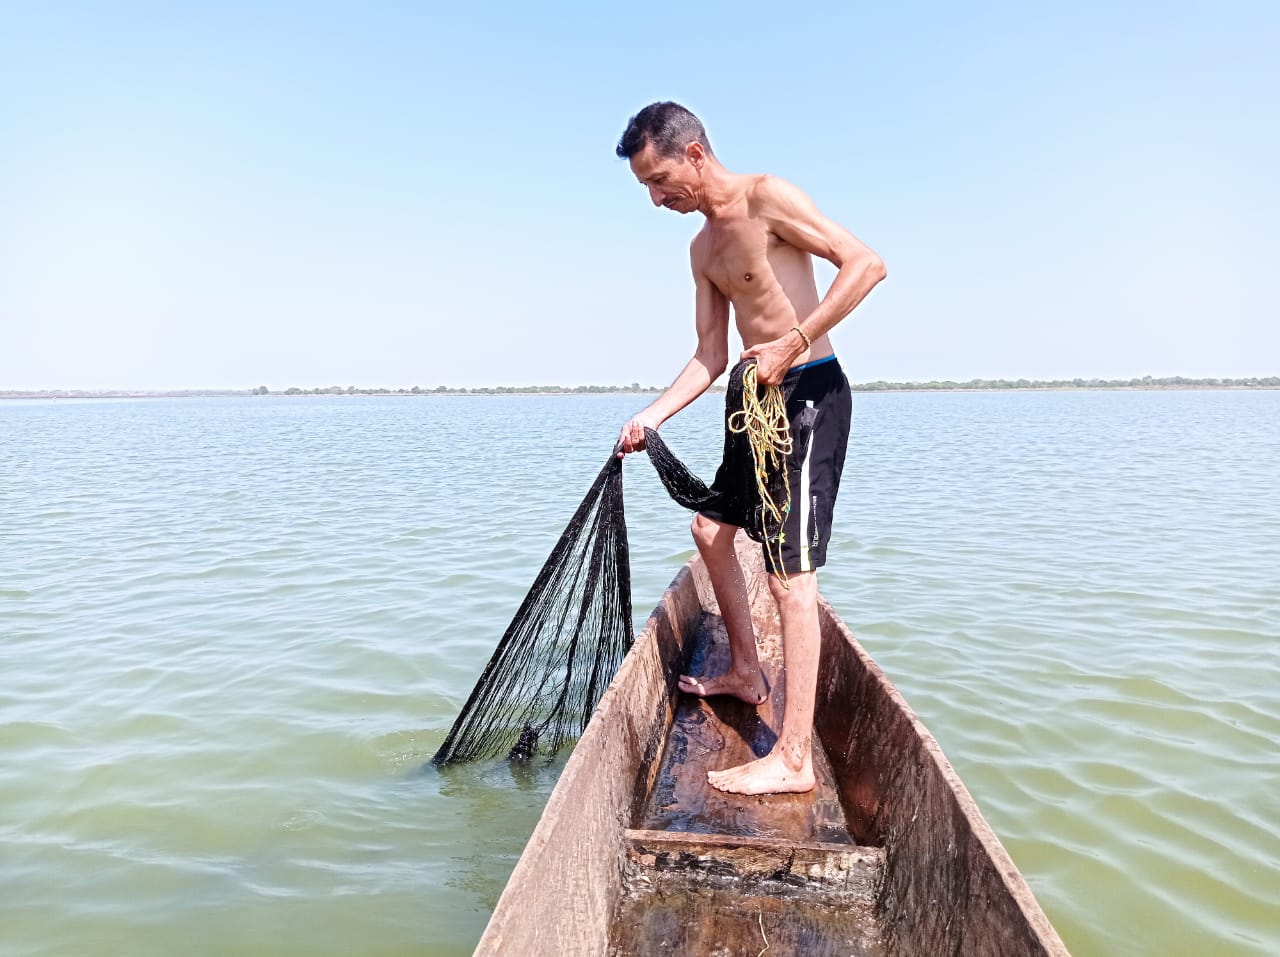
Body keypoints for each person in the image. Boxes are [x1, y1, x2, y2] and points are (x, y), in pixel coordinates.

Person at [614, 101, 886, 795]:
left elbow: (866, 264)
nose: (655, 198)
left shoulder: (770, 199)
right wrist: (652, 414)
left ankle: (793, 758)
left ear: (695, 153)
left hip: (808, 393)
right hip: (750, 398)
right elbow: (709, 354)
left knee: (788, 575)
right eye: (645, 187)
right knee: (710, 530)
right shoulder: (701, 249)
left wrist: (794, 342)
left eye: (660, 178)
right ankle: (745, 667)